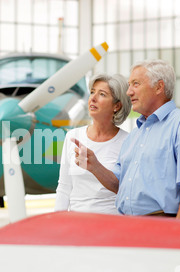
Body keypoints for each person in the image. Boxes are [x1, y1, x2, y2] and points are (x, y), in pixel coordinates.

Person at [73, 59, 180, 219]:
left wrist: (178, 231)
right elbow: (118, 185)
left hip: (162, 224)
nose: (129, 92)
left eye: (136, 84)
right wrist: (94, 166)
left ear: (159, 87)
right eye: (129, 85)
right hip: (129, 225)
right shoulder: (135, 135)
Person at [55, 73, 132, 214]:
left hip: (112, 224)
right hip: (77, 224)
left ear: (117, 106)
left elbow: (129, 191)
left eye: (102, 94)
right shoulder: (73, 136)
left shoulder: (129, 141)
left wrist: (95, 167)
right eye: (92, 92)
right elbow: (64, 187)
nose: (93, 98)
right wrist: (56, 222)